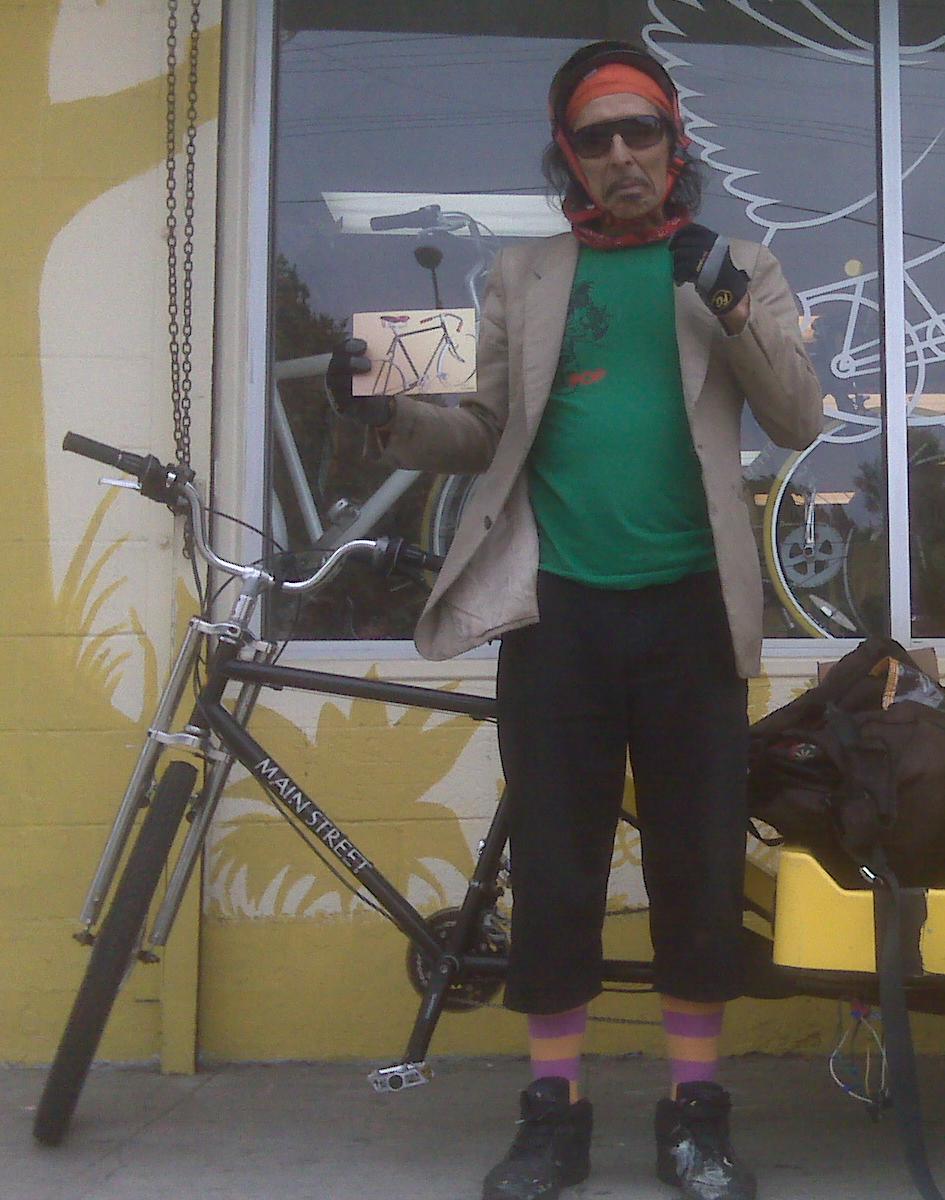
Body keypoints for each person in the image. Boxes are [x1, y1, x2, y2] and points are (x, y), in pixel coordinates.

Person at [325, 40, 823, 1200]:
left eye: (636, 132)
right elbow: (483, 431)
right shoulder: (526, 275)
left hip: (695, 615)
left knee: (699, 870)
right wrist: (393, 410)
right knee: (556, 870)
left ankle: (696, 1113)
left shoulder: (738, 264)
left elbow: (797, 414)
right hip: (557, 620)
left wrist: (730, 299)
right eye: (593, 139)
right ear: (570, 158)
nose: (618, 155)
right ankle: (554, 1115)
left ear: (673, 145)